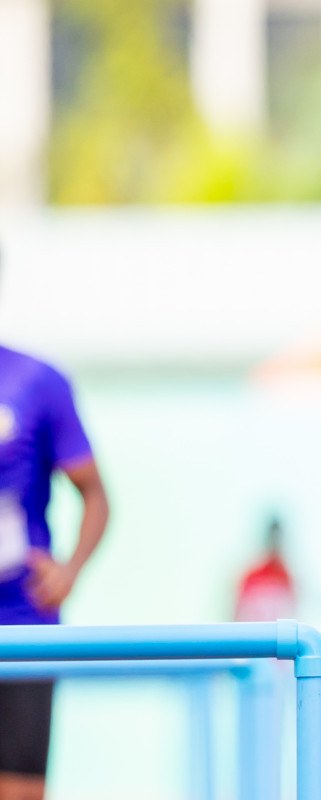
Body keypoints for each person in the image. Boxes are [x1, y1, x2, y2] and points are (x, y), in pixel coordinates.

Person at [0, 330, 111, 798]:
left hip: (24, 621)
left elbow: (97, 496)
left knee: (20, 790)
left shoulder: (37, 380)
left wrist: (70, 570)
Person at [234, 517, 297, 623]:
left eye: (278, 539)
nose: (275, 544)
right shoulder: (251, 576)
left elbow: (293, 613)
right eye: (272, 539)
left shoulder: (287, 578)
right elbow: (238, 615)